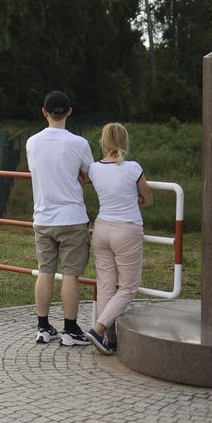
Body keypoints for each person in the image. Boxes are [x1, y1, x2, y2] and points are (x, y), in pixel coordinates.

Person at [26, 90, 94, 346]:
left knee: (45, 272)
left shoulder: (32, 142)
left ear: (44, 112)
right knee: (71, 275)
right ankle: (70, 330)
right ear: (69, 112)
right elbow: (89, 174)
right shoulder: (79, 144)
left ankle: (43, 327)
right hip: (72, 217)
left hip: (42, 217)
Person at [84, 122, 153, 355]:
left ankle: (110, 338)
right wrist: (136, 199)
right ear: (124, 141)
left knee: (105, 285)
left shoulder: (93, 168)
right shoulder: (133, 168)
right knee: (128, 287)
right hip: (127, 229)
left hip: (102, 227)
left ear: (103, 142)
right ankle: (98, 329)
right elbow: (148, 198)